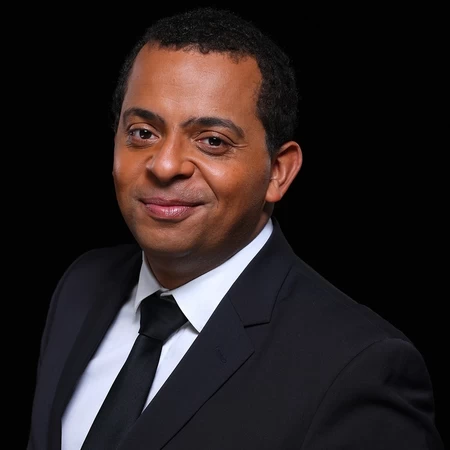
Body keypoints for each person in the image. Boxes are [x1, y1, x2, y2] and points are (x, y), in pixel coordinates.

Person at [28, 6, 444, 450]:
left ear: (278, 172)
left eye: (212, 141)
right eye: (143, 132)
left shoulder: (357, 368)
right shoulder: (81, 286)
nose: (165, 166)